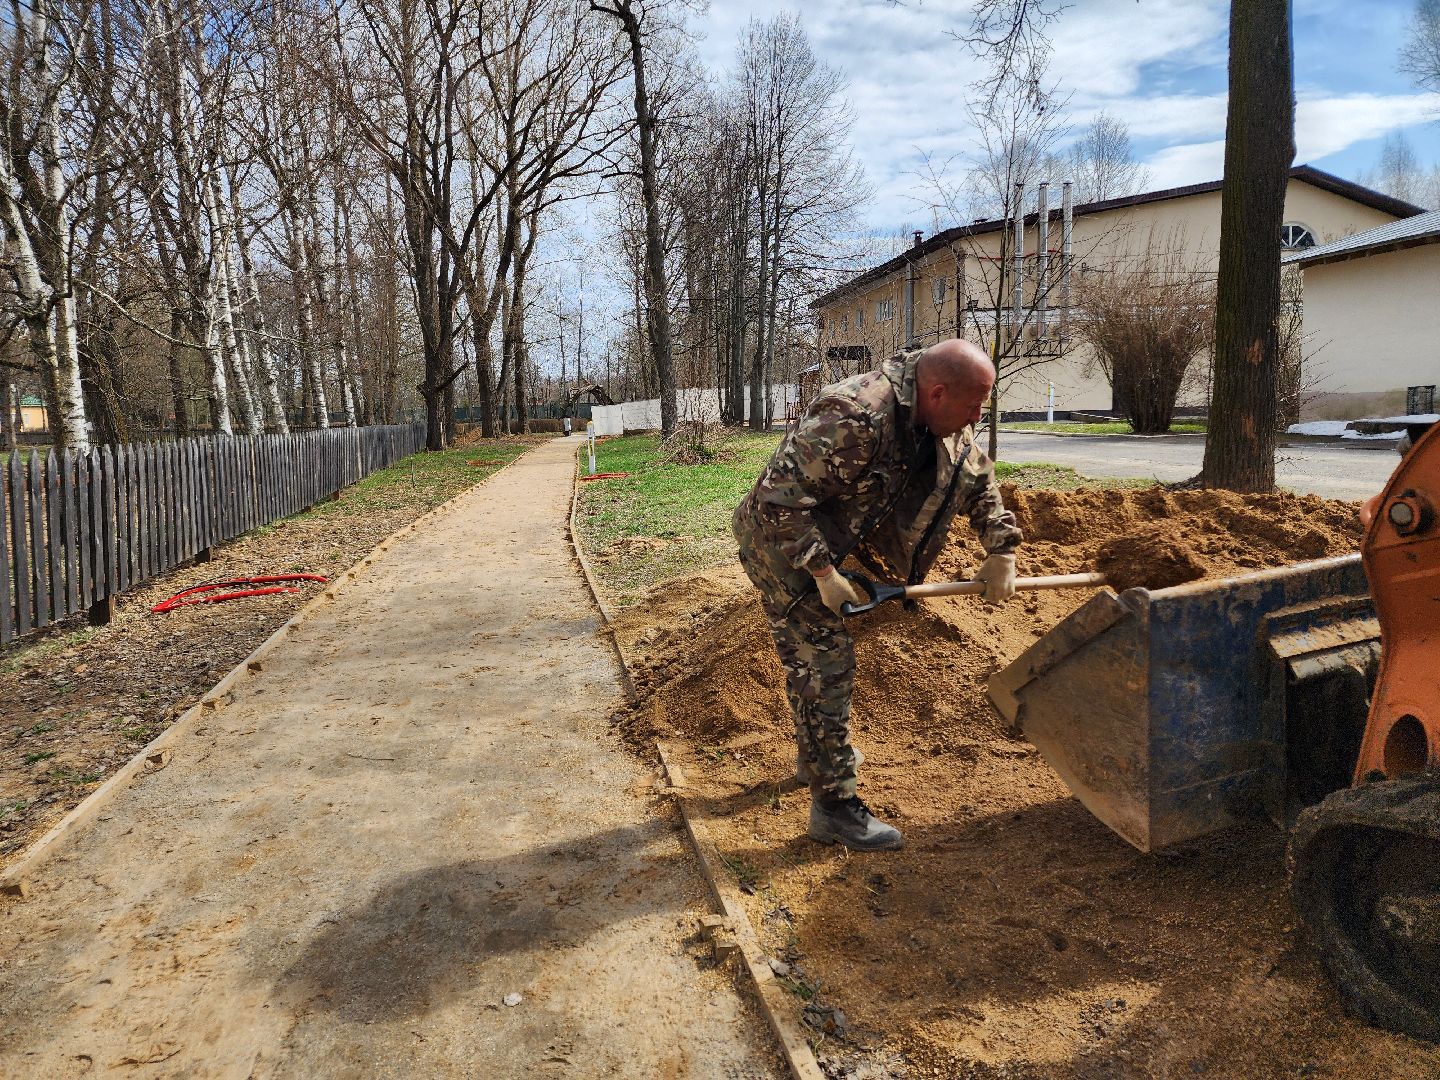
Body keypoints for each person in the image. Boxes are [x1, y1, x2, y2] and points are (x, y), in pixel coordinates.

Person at [731, 339, 1023, 852]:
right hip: (779, 541)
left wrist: (1002, 548)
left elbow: (974, 479)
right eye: (975, 404)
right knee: (826, 662)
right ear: (936, 393)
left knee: (814, 663)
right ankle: (835, 808)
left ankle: (814, 758)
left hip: (832, 534)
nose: (979, 415)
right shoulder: (854, 415)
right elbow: (776, 501)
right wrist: (822, 572)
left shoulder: (947, 419)